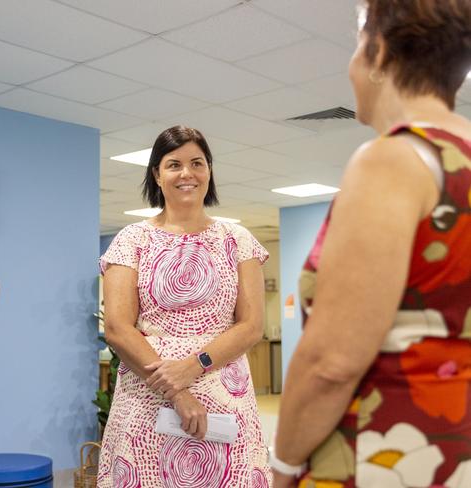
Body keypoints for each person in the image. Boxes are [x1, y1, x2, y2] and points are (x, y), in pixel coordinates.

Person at [271, 1, 471, 486]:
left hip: (381, 449)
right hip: (451, 447)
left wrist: (281, 465)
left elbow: (331, 363)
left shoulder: (393, 160)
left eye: (356, 45)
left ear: (379, 52)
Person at [97, 125, 272, 487]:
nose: (187, 173)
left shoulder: (238, 240)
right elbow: (117, 327)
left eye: (197, 163)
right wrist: (176, 390)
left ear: (209, 170)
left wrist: (194, 366)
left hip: (224, 396)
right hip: (149, 394)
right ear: (157, 175)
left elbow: (251, 324)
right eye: (174, 164)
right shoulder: (132, 239)